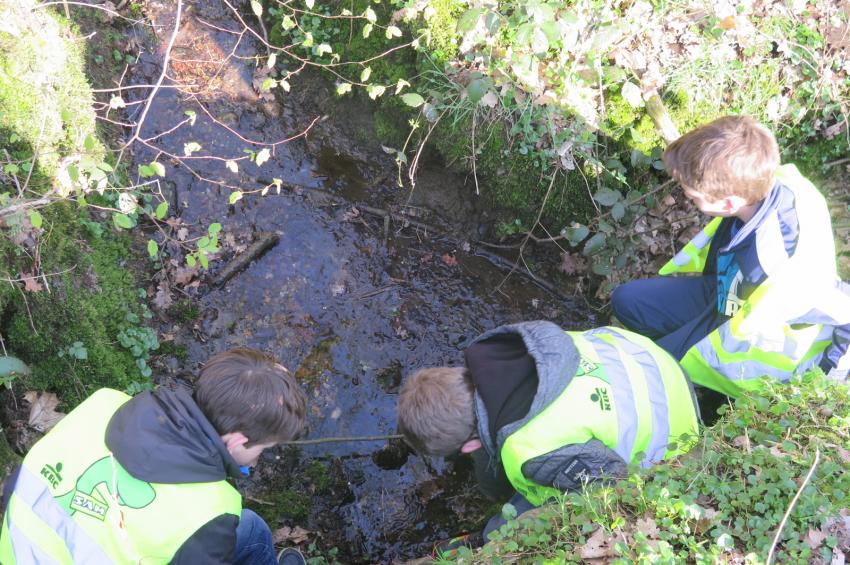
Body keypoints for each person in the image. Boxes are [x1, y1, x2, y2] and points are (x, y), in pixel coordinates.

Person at [396, 320, 701, 546]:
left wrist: (496, 533)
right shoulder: (520, 345)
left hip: (676, 432)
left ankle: (481, 541)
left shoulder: (534, 450)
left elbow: (610, 490)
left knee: (520, 513)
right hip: (655, 367)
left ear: (468, 447)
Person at [611, 116, 850, 397]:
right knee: (627, 301)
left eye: (692, 195)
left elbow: (842, 308)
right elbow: (728, 299)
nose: (686, 197)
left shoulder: (773, 262)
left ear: (726, 203)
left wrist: (826, 379)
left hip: (754, 346)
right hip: (727, 296)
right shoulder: (776, 182)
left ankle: (704, 388)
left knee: (647, 372)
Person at [0, 347, 309, 565]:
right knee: (250, 530)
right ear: (238, 441)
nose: (256, 461)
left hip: (15, 550)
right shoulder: (209, 513)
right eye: (262, 450)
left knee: (250, 529)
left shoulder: (105, 404)